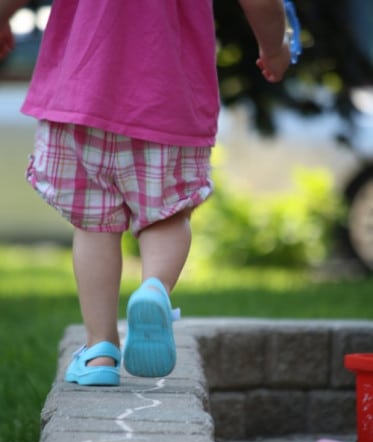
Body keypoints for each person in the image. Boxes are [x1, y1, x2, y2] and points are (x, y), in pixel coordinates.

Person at [0, 0, 290, 384]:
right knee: (167, 214)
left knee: (94, 223)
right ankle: (154, 289)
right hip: (168, 101)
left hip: (80, 93)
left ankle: (99, 353)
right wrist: (275, 48)